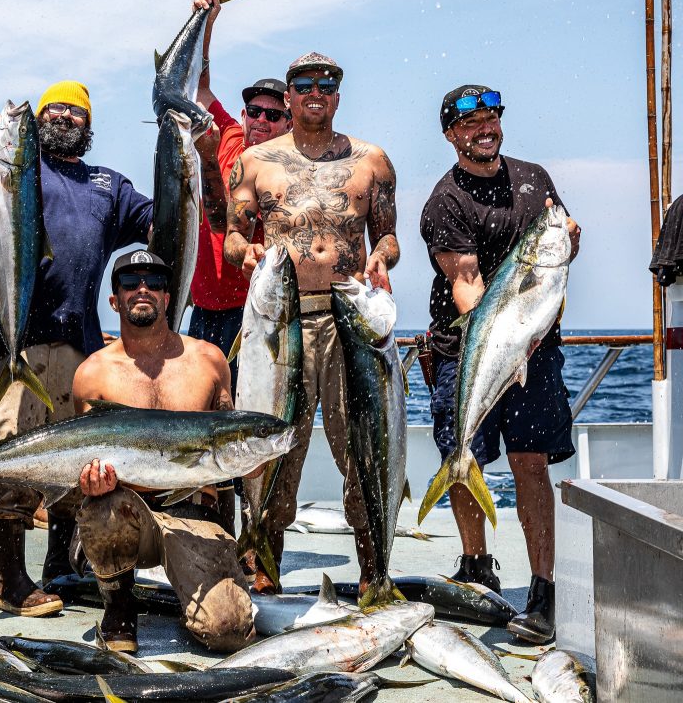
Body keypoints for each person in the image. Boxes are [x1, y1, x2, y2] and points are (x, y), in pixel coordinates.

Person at [223, 52, 400, 594]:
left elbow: (389, 236)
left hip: (349, 322)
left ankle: (375, 575)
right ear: (290, 95)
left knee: (364, 450)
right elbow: (232, 236)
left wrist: (382, 259)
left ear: (338, 95)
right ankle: (265, 571)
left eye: (327, 83)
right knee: (277, 450)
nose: (315, 91)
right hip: (283, 324)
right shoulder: (255, 162)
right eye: (304, 84)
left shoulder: (373, 161)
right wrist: (245, 253)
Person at [0, 81, 153, 617]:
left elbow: (158, 221)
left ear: (88, 124)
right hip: (19, 343)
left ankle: (60, 565)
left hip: (82, 345)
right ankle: (9, 580)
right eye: (53, 108)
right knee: (14, 455)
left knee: (77, 464)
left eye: (74, 112)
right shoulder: (15, 168)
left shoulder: (109, 184)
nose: (61, 116)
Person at [420, 84, 581, 644]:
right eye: (471, 123)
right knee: (461, 455)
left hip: (537, 351)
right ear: (451, 135)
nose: (484, 127)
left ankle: (542, 592)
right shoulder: (444, 202)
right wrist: (509, 339)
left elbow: (557, 251)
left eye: (491, 117)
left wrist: (569, 240)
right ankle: (476, 564)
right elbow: (467, 285)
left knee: (531, 464)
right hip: (469, 350)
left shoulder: (535, 179)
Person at [73, 250, 255, 654]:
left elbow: (229, 447)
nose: (143, 289)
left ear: (169, 298)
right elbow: (84, 463)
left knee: (229, 630)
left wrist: (239, 538)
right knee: (103, 505)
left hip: (193, 512)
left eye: (155, 283)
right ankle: (119, 605)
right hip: (124, 509)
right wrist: (92, 483)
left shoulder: (210, 360)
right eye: (130, 282)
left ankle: (196, 586)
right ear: (114, 300)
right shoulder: (92, 373)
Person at [190, 0, 293, 544]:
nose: (257, 120)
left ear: (289, 121)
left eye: (272, 115)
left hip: (256, 321)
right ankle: (213, 542)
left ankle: (261, 544)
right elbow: (201, 86)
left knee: (252, 431)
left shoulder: (292, 166)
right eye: (252, 110)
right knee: (205, 433)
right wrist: (207, 20)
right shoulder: (228, 137)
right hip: (201, 312)